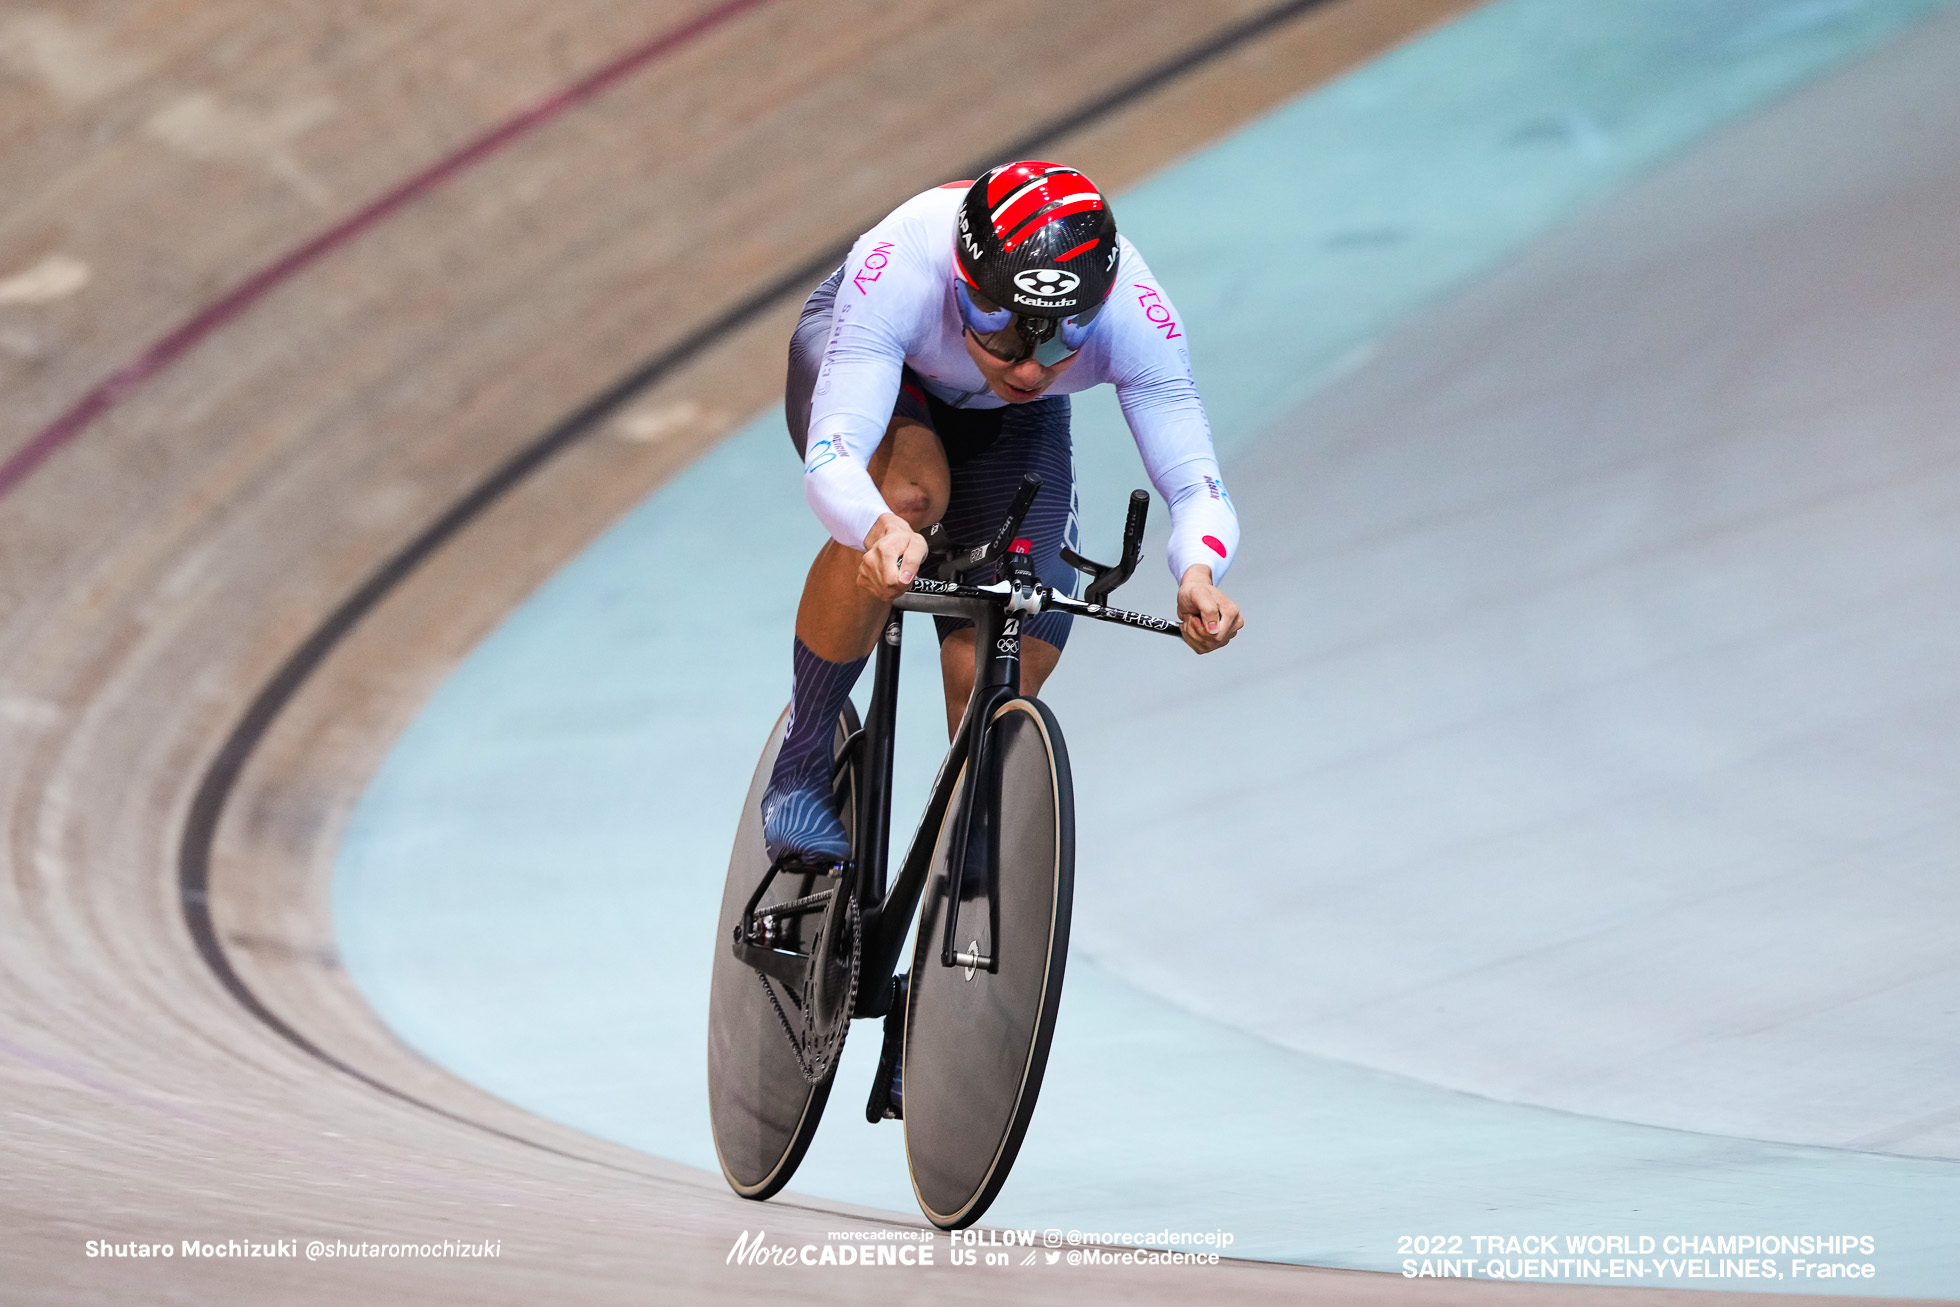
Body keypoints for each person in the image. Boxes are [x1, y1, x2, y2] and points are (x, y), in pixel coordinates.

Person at [763, 160, 1244, 864]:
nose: (1027, 367)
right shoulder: (900, 264)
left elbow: (1198, 486)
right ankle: (801, 764)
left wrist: (1199, 570)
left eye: (1057, 342)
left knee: (1022, 617)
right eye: (1002, 332)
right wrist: (878, 531)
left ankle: (954, 860)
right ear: (963, 287)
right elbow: (835, 455)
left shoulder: (1134, 313)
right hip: (881, 372)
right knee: (909, 498)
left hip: (1001, 422)